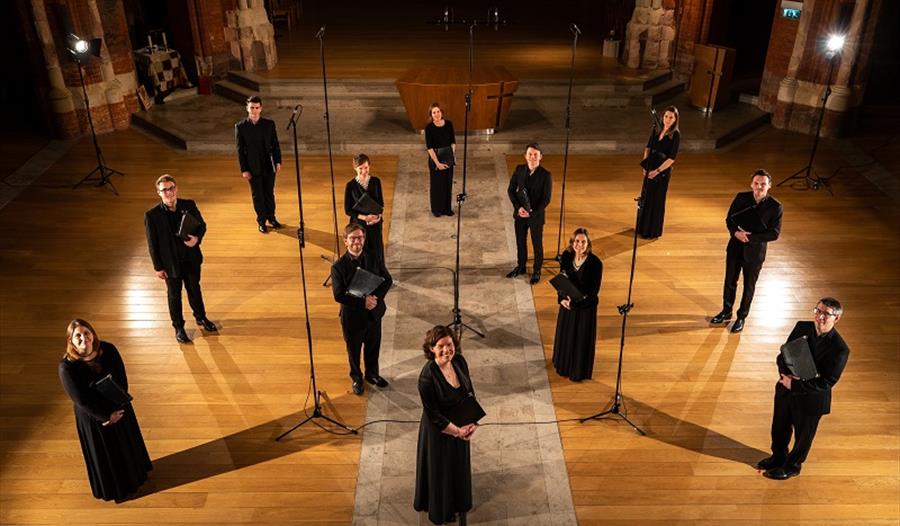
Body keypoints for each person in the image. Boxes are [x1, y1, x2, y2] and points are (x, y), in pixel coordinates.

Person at [58, 319, 152, 501]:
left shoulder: (108, 349)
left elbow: (122, 380)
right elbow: (81, 400)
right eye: (78, 335)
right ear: (70, 340)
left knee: (126, 445)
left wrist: (118, 408)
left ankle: (136, 477)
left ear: (93, 334)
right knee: (108, 455)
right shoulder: (66, 367)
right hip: (95, 417)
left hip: (119, 407)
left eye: (86, 333)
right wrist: (106, 416)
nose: (83, 338)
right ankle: (117, 489)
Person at [757, 298, 850, 480]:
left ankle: (793, 466)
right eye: (818, 311)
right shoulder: (801, 327)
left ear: (836, 318)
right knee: (779, 426)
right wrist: (785, 375)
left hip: (811, 398)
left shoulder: (840, 349)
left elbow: (827, 382)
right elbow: (783, 354)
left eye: (826, 314)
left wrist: (795, 384)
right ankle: (778, 456)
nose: (820, 316)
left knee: (803, 435)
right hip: (786, 388)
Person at [414, 325, 477, 525]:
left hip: (461, 426)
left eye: (449, 345)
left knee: (458, 466)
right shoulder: (427, 376)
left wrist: (472, 421)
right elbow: (434, 416)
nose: (446, 350)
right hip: (438, 432)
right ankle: (442, 510)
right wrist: (457, 431)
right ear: (431, 348)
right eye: (440, 346)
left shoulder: (459, 361)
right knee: (440, 471)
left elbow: (469, 393)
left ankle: (459, 502)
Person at [144, 174, 217, 343]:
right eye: (165, 190)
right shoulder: (152, 216)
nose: (169, 193)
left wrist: (197, 239)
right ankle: (179, 327)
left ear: (176, 189)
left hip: (190, 259)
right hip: (170, 265)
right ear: (159, 193)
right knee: (174, 295)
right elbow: (152, 244)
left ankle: (201, 317)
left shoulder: (189, 205)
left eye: (171, 188)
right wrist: (158, 267)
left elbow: (202, 225)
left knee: (194, 289)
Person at [710, 169, 783, 333]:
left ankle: (741, 316)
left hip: (755, 253)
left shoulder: (775, 207)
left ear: (769, 186)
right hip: (735, 246)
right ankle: (726, 311)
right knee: (729, 281)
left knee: (749, 286)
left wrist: (750, 238)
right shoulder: (741, 198)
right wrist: (736, 233)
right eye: (756, 183)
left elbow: (774, 233)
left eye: (763, 184)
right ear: (751, 184)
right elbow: (729, 219)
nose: (759, 187)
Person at [330, 223, 393, 395]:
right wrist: (362, 303)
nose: (357, 241)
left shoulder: (373, 257)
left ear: (364, 239)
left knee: (373, 346)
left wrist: (374, 299)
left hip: (373, 313)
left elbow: (387, 280)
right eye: (353, 238)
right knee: (354, 350)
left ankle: (372, 374)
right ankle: (357, 377)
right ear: (345, 241)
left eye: (360, 238)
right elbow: (338, 295)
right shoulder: (338, 267)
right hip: (353, 317)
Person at [552, 228, 603, 381]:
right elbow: (562, 280)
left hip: (584, 309)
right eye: (577, 241)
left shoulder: (595, 264)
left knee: (580, 340)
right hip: (567, 304)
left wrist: (574, 304)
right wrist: (561, 299)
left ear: (588, 244)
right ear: (572, 243)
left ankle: (577, 371)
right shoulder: (567, 256)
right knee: (566, 337)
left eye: (583, 242)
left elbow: (594, 292)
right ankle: (564, 366)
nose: (579, 245)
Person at [506, 143, 552, 285]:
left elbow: (546, 199)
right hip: (520, 214)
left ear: (540, 156)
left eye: (535, 154)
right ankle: (521, 267)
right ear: (525, 156)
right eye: (530, 154)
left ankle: (537, 270)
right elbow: (511, 190)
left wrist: (532, 212)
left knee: (536, 244)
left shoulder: (545, 175)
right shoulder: (520, 170)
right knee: (520, 242)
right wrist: (518, 207)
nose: (532, 157)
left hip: (535, 216)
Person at [235, 95, 282, 233]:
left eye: (257, 108)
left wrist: (278, 161)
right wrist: (244, 169)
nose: (254, 111)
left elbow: (275, 144)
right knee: (257, 195)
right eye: (251, 108)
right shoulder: (241, 127)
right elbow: (240, 151)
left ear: (261, 108)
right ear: (247, 108)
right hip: (252, 166)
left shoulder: (269, 124)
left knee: (269, 193)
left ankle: (271, 217)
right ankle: (261, 221)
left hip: (269, 164)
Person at [637, 105, 680, 239]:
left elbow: (671, 159)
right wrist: (645, 166)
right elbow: (647, 149)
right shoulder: (656, 130)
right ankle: (642, 228)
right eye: (666, 116)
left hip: (662, 173)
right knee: (646, 198)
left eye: (671, 117)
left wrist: (656, 171)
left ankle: (652, 231)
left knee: (656, 201)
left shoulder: (675, 136)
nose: (668, 119)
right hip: (650, 168)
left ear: (675, 119)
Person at [344, 153, 385, 265]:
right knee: (363, 250)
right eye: (360, 168)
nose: (363, 171)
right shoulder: (350, 186)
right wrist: (365, 217)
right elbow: (348, 210)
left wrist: (377, 217)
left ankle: (379, 274)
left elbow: (381, 204)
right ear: (355, 168)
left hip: (375, 223)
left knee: (377, 250)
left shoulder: (376, 181)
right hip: (359, 225)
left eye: (366, 168)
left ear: (369, 166)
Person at [425, 102, 456, 217]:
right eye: (434, 112)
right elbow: (430, 148)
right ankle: (436, 209)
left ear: (441, 112)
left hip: (448, 158)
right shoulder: (429, 128)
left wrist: (450, 158)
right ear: (431, 114)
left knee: (447, 184)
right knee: (437, 185)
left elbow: (453, 142)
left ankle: (447, 209)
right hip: (435, 159)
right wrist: (437, 163)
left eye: (438, 111)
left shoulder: (449, 124)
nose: (436, 114)